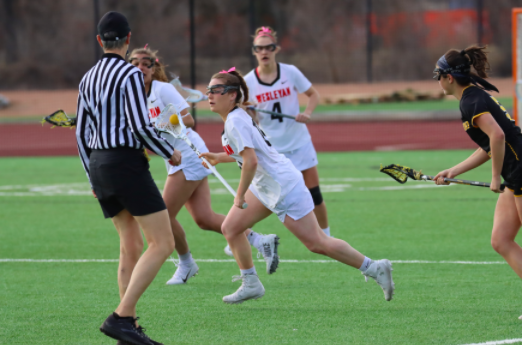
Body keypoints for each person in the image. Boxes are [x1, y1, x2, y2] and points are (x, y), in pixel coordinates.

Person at [200, 68, 395, 304]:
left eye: (216, 90)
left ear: (232, 95)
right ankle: (250, 282)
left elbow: (251, 161)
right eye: (209, 90)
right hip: (266, 186)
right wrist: (219, 157)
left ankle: (374, 268)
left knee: (317, 243)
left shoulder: (235, 121)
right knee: (230, 228)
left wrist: (239, 194)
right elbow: (249, 154)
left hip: (282, 186)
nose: (210, 95)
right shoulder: (235, 117)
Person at [128, 47, 280, 284]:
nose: (140, 68)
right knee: (204, 218)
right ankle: (260, 240)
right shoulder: (132, 96)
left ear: (153, 67)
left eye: (146, 63)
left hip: (188, 154)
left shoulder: (163, 89)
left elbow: (188, 120)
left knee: (164, 215)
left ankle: (187, 263)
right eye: (134, 63)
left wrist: (156, 124)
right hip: (174, 158)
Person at [76, 12, 181, 345]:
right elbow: (139, 125)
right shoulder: (131, 74)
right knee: (163, 243)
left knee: (130, 246)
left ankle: (128, 328)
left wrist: (91, 176)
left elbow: (81, 133)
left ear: (99, 41)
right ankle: (122, 318)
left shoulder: (87, 78)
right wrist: (168, 151)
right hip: (125, 163)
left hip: (99, 165)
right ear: (128, 39)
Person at [432, 46, 522, 319]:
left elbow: (497, 137)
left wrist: (495, 177)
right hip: (514, 173)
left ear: (448, 78)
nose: (436, 81)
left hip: (519, 171)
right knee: (501, 239)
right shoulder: (471, 98)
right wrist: (454, 171)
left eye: (437, 75)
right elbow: (488, 146)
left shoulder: (471, 102)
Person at [241, 26, 331, 241]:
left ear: (276, 49)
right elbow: (249, 118)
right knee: (262, 196)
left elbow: (313, 95)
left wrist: (307, 113)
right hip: (273, 149)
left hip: (299, 142)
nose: (264, 52)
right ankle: (243, 234)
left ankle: (327, 236)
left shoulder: (290, 72)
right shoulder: (248, 82)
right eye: (259, 48)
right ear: (254, 51)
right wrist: (250, 113)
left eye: (268, 48)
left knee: (315, 194)